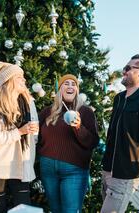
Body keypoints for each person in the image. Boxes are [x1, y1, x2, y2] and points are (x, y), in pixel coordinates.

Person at [101, 54, 139, 213]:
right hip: (108, 170)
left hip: (126, 175)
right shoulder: (119, 98)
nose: (124, 71)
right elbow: (112, 134)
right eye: (124, 68)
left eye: (128, 68)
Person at [0, 61, 39, 213]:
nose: (24, 80)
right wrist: (19, 132)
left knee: (24, 207)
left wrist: (34, 132)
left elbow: (34, 131)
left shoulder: (28, 101)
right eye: (20, 77)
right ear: (10, 80)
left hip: (20, 163)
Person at [38, 74, 99, 213]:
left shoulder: (85, 112)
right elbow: (36, 136)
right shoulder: (47, 111)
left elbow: (93, 141)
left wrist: (78, 127)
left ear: (77, 90)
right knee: (55, 210)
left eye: (74, 84)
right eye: (66, 83)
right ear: (60, 89)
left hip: (74, 170)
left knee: (70, 211)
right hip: (48, 168)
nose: (70, 86)